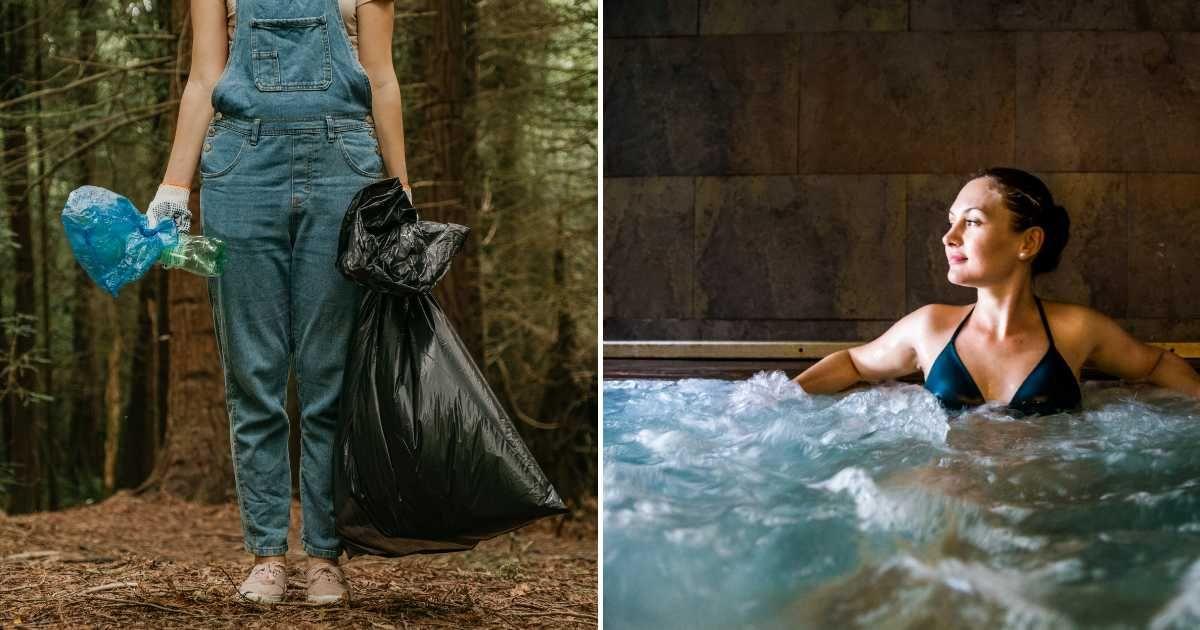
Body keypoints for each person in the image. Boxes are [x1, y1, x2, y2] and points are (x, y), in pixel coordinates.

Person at [144, 0, 412, 604]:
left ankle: (323, 556)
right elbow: (204, 79)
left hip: (345, 168)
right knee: (253, 373)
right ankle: (267, 553)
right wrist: (172, 187)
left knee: (330, 378)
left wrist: (400, 189)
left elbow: (382, 78)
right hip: (241, 169)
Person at [792, 167, 1200, 413]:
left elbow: (1155, 365)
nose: (948, 237)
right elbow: (853, 363)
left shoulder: (1075, 329)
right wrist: (775, 402)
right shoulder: (929, 327)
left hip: (1039, 511)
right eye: (951, 221)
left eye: (971, 222)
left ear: (1028, 243)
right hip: (949, 507)